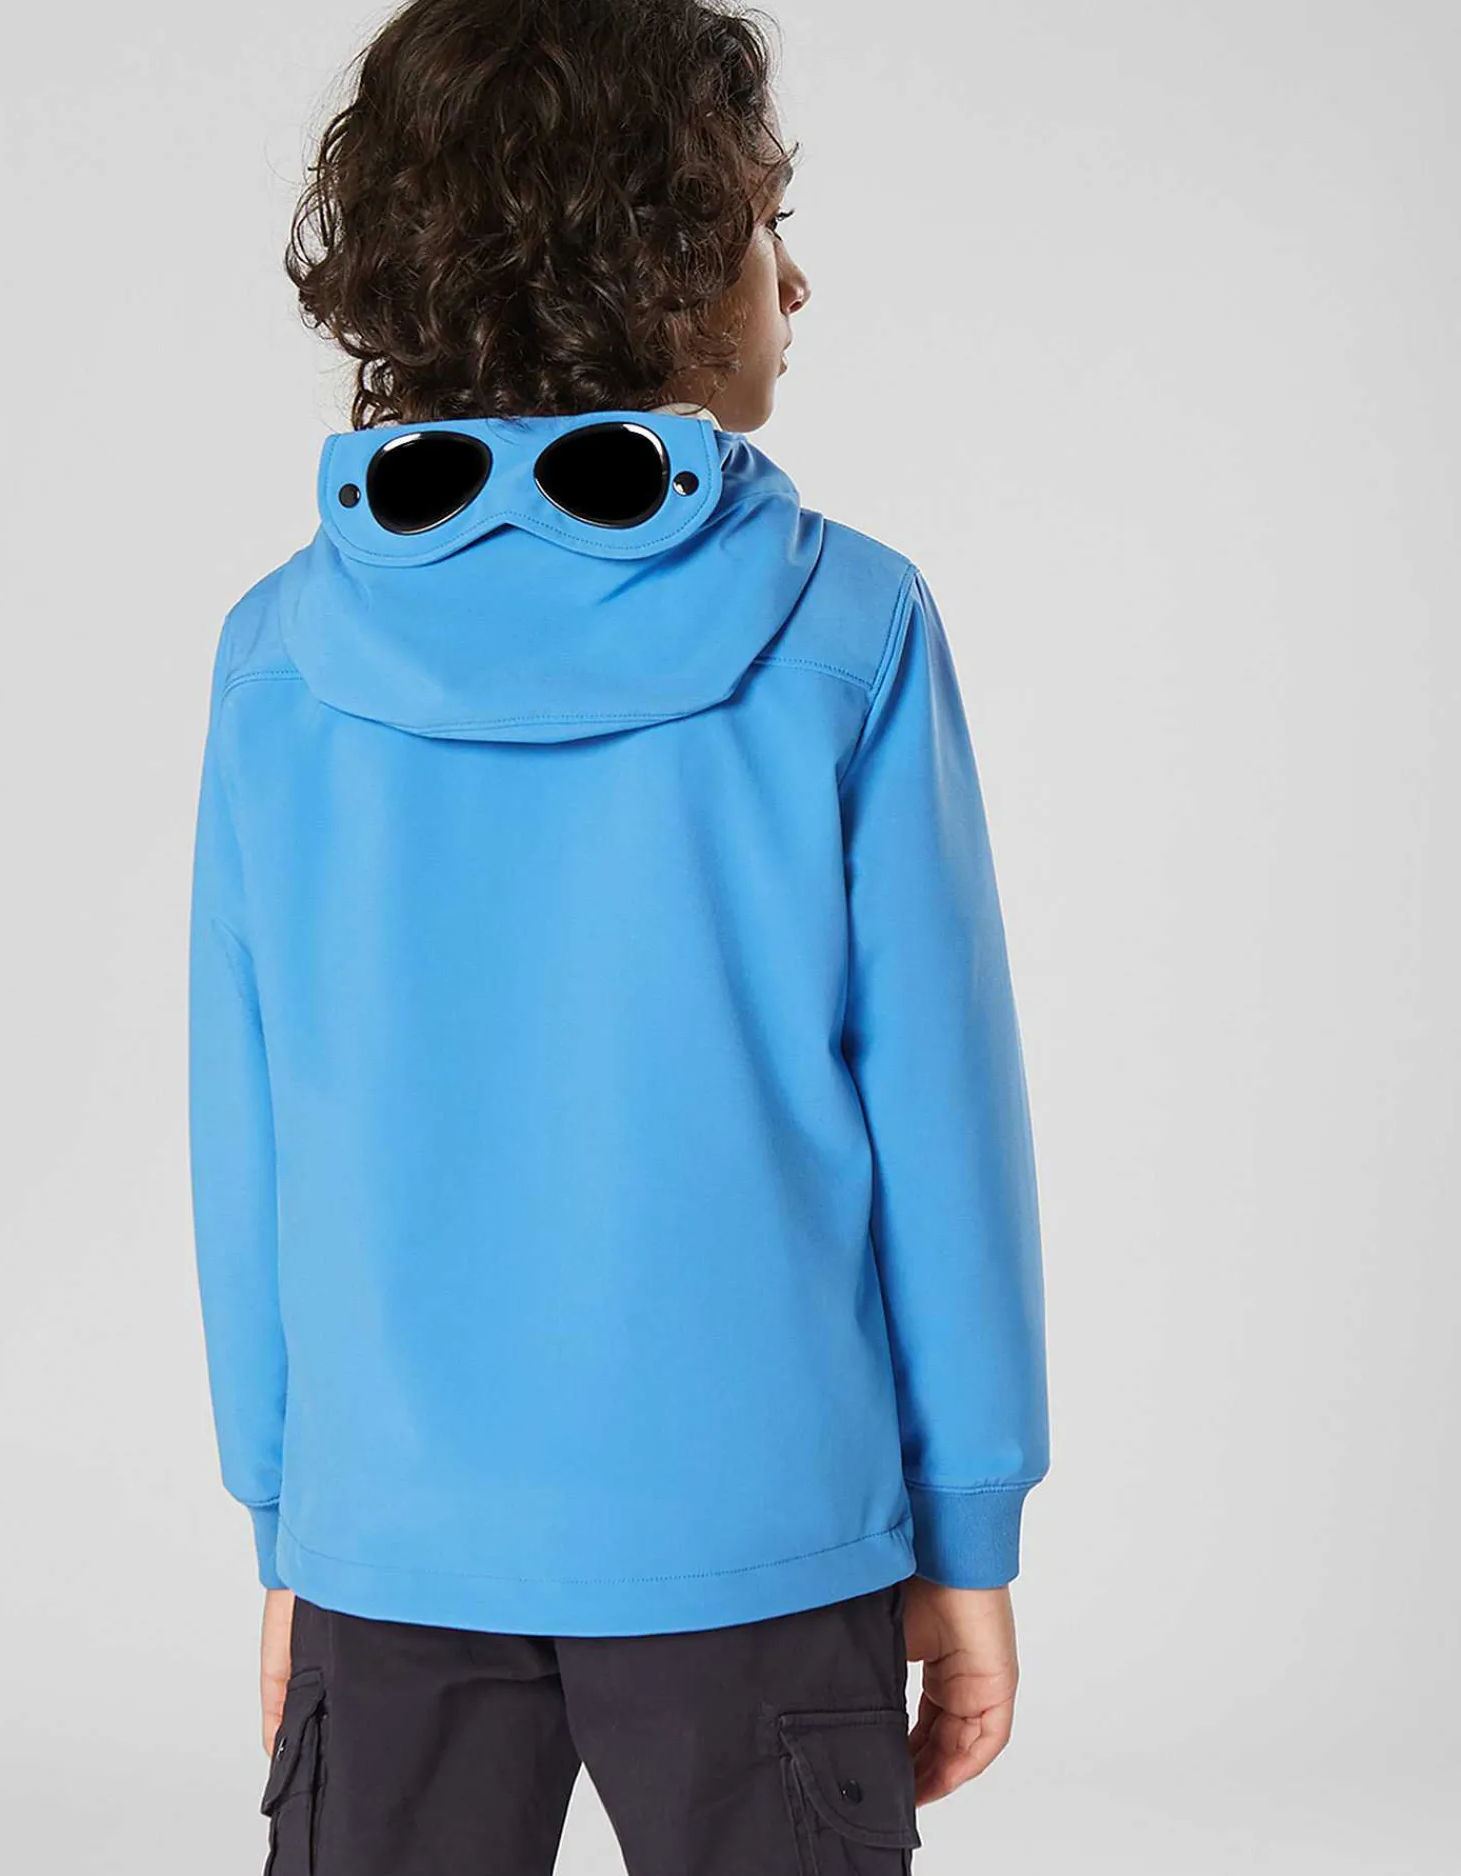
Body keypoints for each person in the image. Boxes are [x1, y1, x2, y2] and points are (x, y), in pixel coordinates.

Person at [187, 1, 1050, 1869]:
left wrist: (289, 1527)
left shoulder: (279, 658)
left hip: (388, 1542)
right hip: (767, 1533)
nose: (794, 281)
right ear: (649, 260)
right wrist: (968, 1532)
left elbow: (252, 1139)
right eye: (761, 221)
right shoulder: (851, 628)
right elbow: (943, 1121)